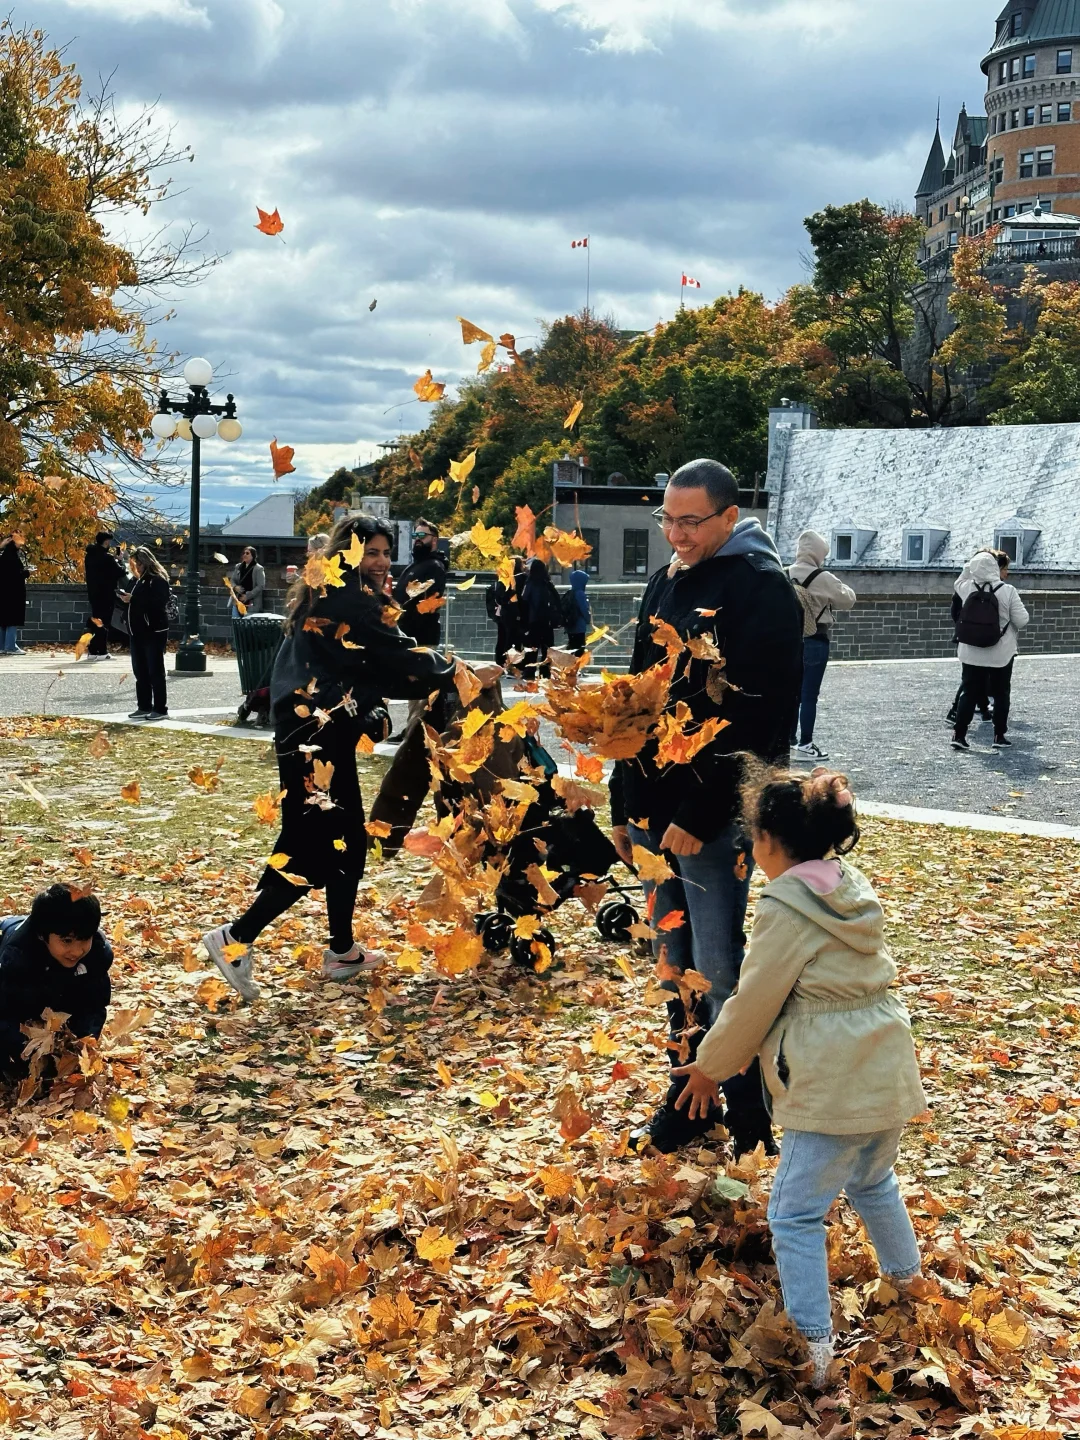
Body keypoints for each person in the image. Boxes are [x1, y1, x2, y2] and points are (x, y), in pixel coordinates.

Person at [671, 768, 925, 1388]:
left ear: (769, 843)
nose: (751, 851)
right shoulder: (849, 888)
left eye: (753, 838)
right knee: (872, 1178)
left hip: (829, 1082)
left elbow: (752, 1002)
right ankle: (909, 1283)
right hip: (884, 1064)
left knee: (794, 1214)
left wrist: (709, 1068)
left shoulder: (787, 907)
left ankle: (813, 1345)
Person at [201, 515, 501, 1000]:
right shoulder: (349, 597)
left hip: (317, 731)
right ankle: (235, 938)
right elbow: (400, 659)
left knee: (344, 844)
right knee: (318, 849)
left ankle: (341, 951)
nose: (383, 562)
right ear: (350, 552)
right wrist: (460, 672)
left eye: (387, 553)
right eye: (374, 552)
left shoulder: (332, 593)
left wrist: (379, 705)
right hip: (314, 736)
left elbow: (367, 663)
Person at [609, 458, 803, 1156]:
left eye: (692, 521)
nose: (678, 533)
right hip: (653, 810)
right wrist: (623, 804)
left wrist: (701, 811)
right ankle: (689, 1099)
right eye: (668, 518)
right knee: (672, 958)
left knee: (720, 965)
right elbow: (636, 699)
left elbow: (761, 722)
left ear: (729, 517)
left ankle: (751, 1117)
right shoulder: (664, 581)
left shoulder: (761, 590)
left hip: (713, 816)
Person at [0, 884, 113, 1080]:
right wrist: (27, 1052)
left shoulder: (96, 955)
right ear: (42, 936)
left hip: (51, 978)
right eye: (67, 941)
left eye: (84, 939)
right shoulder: (17, 959)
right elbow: (4, 1014)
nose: (77, 951)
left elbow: (95, 1004)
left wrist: (80, 1042)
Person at [787, 530, 856, 762]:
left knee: (790, 693)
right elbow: (848, 599)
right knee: (809, 695)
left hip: (788, 641)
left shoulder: (784, 573)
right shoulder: (822, 577)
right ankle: (806, 743)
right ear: (818, 553)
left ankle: (788, 739)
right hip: (815, 640)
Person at [951, 549, 1029, 752]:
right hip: (1000, 652)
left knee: (968, 692)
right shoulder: (1007, 590)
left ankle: (959, 735)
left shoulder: (966, 588)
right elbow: (1022, 620)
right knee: (1001, 693)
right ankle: (999, 735)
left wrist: (971, 565)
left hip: (971, 651)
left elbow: (962, 576)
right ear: (996, 568)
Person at [391, 519, 448, 738]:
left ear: (434, 540)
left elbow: (427, 603)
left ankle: (415, 733)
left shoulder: (434, 566)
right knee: (414, 688)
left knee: (421, 687)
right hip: (408, 632)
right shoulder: (416, 565)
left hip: (421, 634)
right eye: (415, 536)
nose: (417, 540)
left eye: (422, 536)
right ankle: (411, 728)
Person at [946, 550, 1009, 728]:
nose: (1006, 573)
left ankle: (979, 711)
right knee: (974, 679)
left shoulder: (968, 585)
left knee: (974, 677)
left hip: (968, 633)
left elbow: (957, 589)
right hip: (978, 636)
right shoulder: (996, 589)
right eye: (1003, 568)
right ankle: (959, 712)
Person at [118, 546, 171, 721]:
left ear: (147, 562)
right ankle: (144, 705)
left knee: (155, 670)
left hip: (153, 630)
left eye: (140, 563)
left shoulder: (157, 580)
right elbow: (134, 602)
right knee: (140, 671)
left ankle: (160, 708)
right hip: (136, 631)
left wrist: (134, 599)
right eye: (135, 564)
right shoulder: (136, 580)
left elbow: (158, 603)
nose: (138, 567)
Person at [84, 532, 126, 659]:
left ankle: (92, 651)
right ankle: (102, 651)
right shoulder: (107, 558)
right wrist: (120, 560)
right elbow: (120, 572)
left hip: (94, 594)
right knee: (104, 622)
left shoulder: (89, 556)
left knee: (95, 621)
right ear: (106, 542)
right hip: (106, 594)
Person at [521, 557, 562, 679]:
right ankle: (545, 672)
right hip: (547, 622)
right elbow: (557, 602)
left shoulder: (530, 584)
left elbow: (524, 602)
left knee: (532, 649)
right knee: (547, 650)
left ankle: (529, 673)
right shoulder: (548, 584)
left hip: (534, 621)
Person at [488, 556, 526, 665]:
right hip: (516, 612)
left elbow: (500, 597)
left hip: (503, 613)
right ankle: (513, 664)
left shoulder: (503, 579)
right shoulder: (521, 579)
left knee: (502, 638)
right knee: (514, 639)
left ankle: (501, 661)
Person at [0, 531, 29, 655]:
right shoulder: (13, 557)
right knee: (12, 619)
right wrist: (27, 573)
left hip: (3, 592)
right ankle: (11, 646)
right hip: (13, 592)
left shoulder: (4, 556)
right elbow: (16, 575)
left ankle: (2, 646)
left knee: (3, 620)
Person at [228, 546, 266, 618]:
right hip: (237, 602)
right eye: (243, 553)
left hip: (251, 603)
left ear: (253, 556)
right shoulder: (238, 566)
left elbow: (261, 585)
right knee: (236, 624)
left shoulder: (258, 568)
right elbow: (232, 580)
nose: (244, 555)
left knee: (247, 625)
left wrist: (247, 596)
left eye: (247, 553)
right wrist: (235, 587)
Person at [564, 568, 592, 654]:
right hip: (579, 627)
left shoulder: (570, 592)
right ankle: (576, 667)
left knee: (572, 649)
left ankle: (570, 666)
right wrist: (588, 619)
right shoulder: (580, 594)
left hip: (570, 626)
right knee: (579, 650)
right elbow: (584, 609)